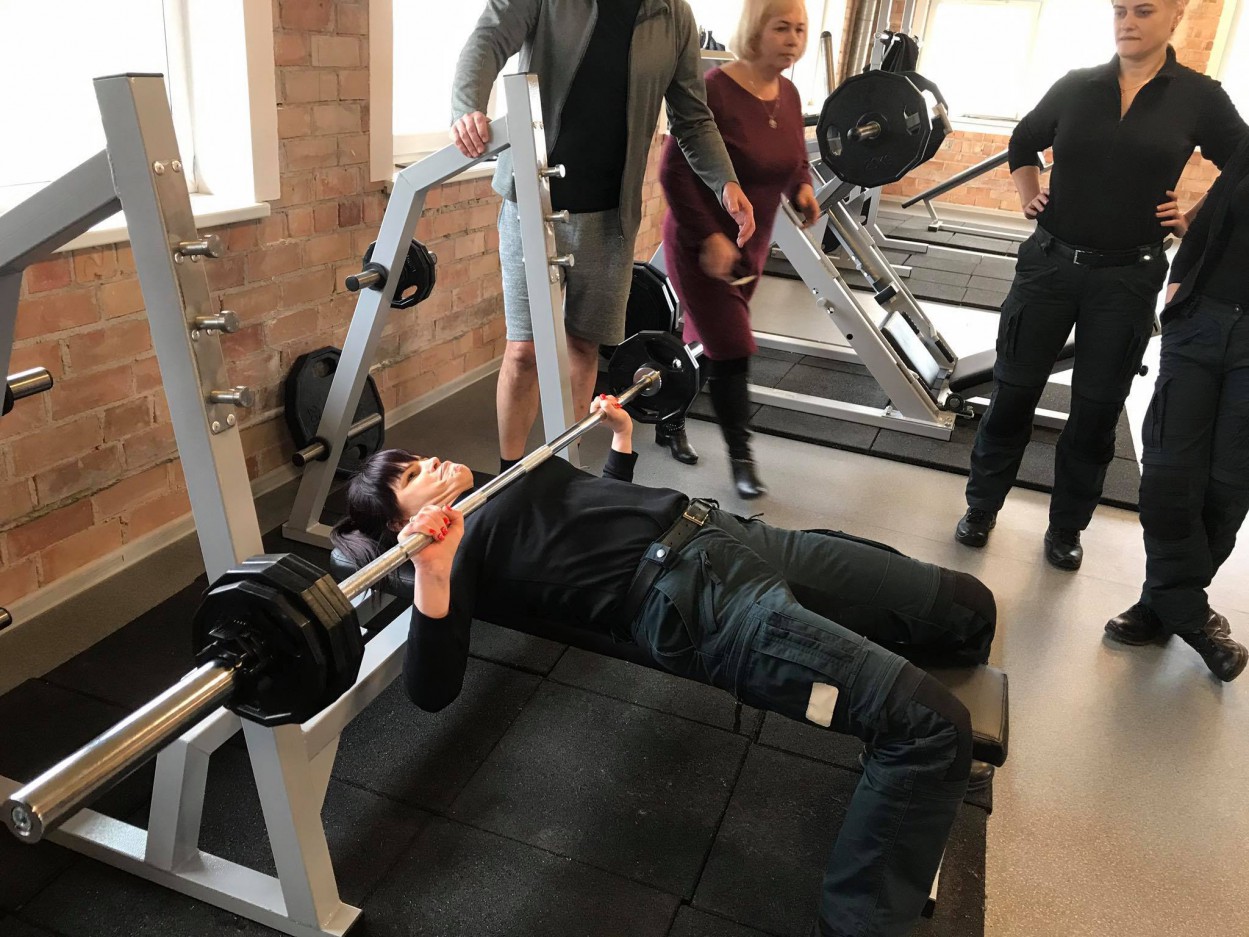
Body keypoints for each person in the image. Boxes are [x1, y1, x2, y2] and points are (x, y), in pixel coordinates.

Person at [331, 394, 999, 937]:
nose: (430, 461)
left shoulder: (504, 479)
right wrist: (433, 571)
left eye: (415, 459)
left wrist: (622, 440)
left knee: (965, 606)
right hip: (696, 599)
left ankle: (915, 767)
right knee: (933, 725)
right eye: (411, 477)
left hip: (723, 531)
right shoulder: (453, 556)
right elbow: (432, 689)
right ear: (401, 526)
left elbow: (591, 507)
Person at [954, 0, 1248, 571]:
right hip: (1048, 268)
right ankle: (981, 506)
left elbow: (1242, 163)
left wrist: (1192, 218)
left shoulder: (1199, 96)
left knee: (1095, 412)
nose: (1127, 22)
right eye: (1119, 10)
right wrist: (1028, 192)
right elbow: (1023, 139)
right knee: (1012, 395)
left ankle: (1066, 527)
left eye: (1143, 10)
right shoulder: (1077, 84)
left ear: (1175, 17)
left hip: (1128, 280)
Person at [450, 0, 756, 474]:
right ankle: (510, 478)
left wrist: (725, 182)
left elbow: (693, 118)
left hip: (611, 214)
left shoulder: (673, 16)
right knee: (525, 349)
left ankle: (563, 472)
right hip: (531, 201)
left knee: (583, 345)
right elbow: (488, 39)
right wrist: (468, 106)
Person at [654, 0, 821, 497]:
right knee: (733, 347)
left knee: (707, 346)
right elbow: (672, 171)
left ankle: (667, 416)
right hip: (701, 243)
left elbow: (794, 158)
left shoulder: (789, 93)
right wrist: (709, 236)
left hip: (751, 247)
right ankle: (742, 462)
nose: (793, 39)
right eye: (781, 28)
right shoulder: (713, 90)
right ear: (755, 30)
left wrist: (803, 189)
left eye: (800, 29)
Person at [1104, 140, 1249, 682]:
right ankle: (1193, 617)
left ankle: (1161, 604)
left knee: (1228, 485)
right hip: (1202, 320)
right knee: (1168, 474)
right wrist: (1178, 289)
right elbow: (1214, 215)